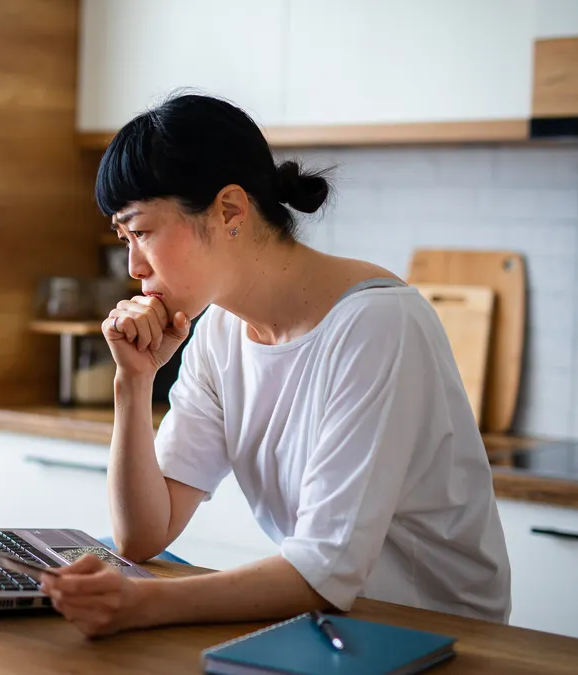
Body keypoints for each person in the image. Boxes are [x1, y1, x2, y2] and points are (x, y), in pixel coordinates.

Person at [39, 93, 511, 638]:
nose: (134, 267)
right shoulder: (219, 331)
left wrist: (144, 602)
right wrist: (134, 382)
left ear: (230, 211)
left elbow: (322, 569)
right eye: (124, 240)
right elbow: (143, 536)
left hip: (442, 636)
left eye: (142, 232)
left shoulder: (379, 324)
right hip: (333, 625)